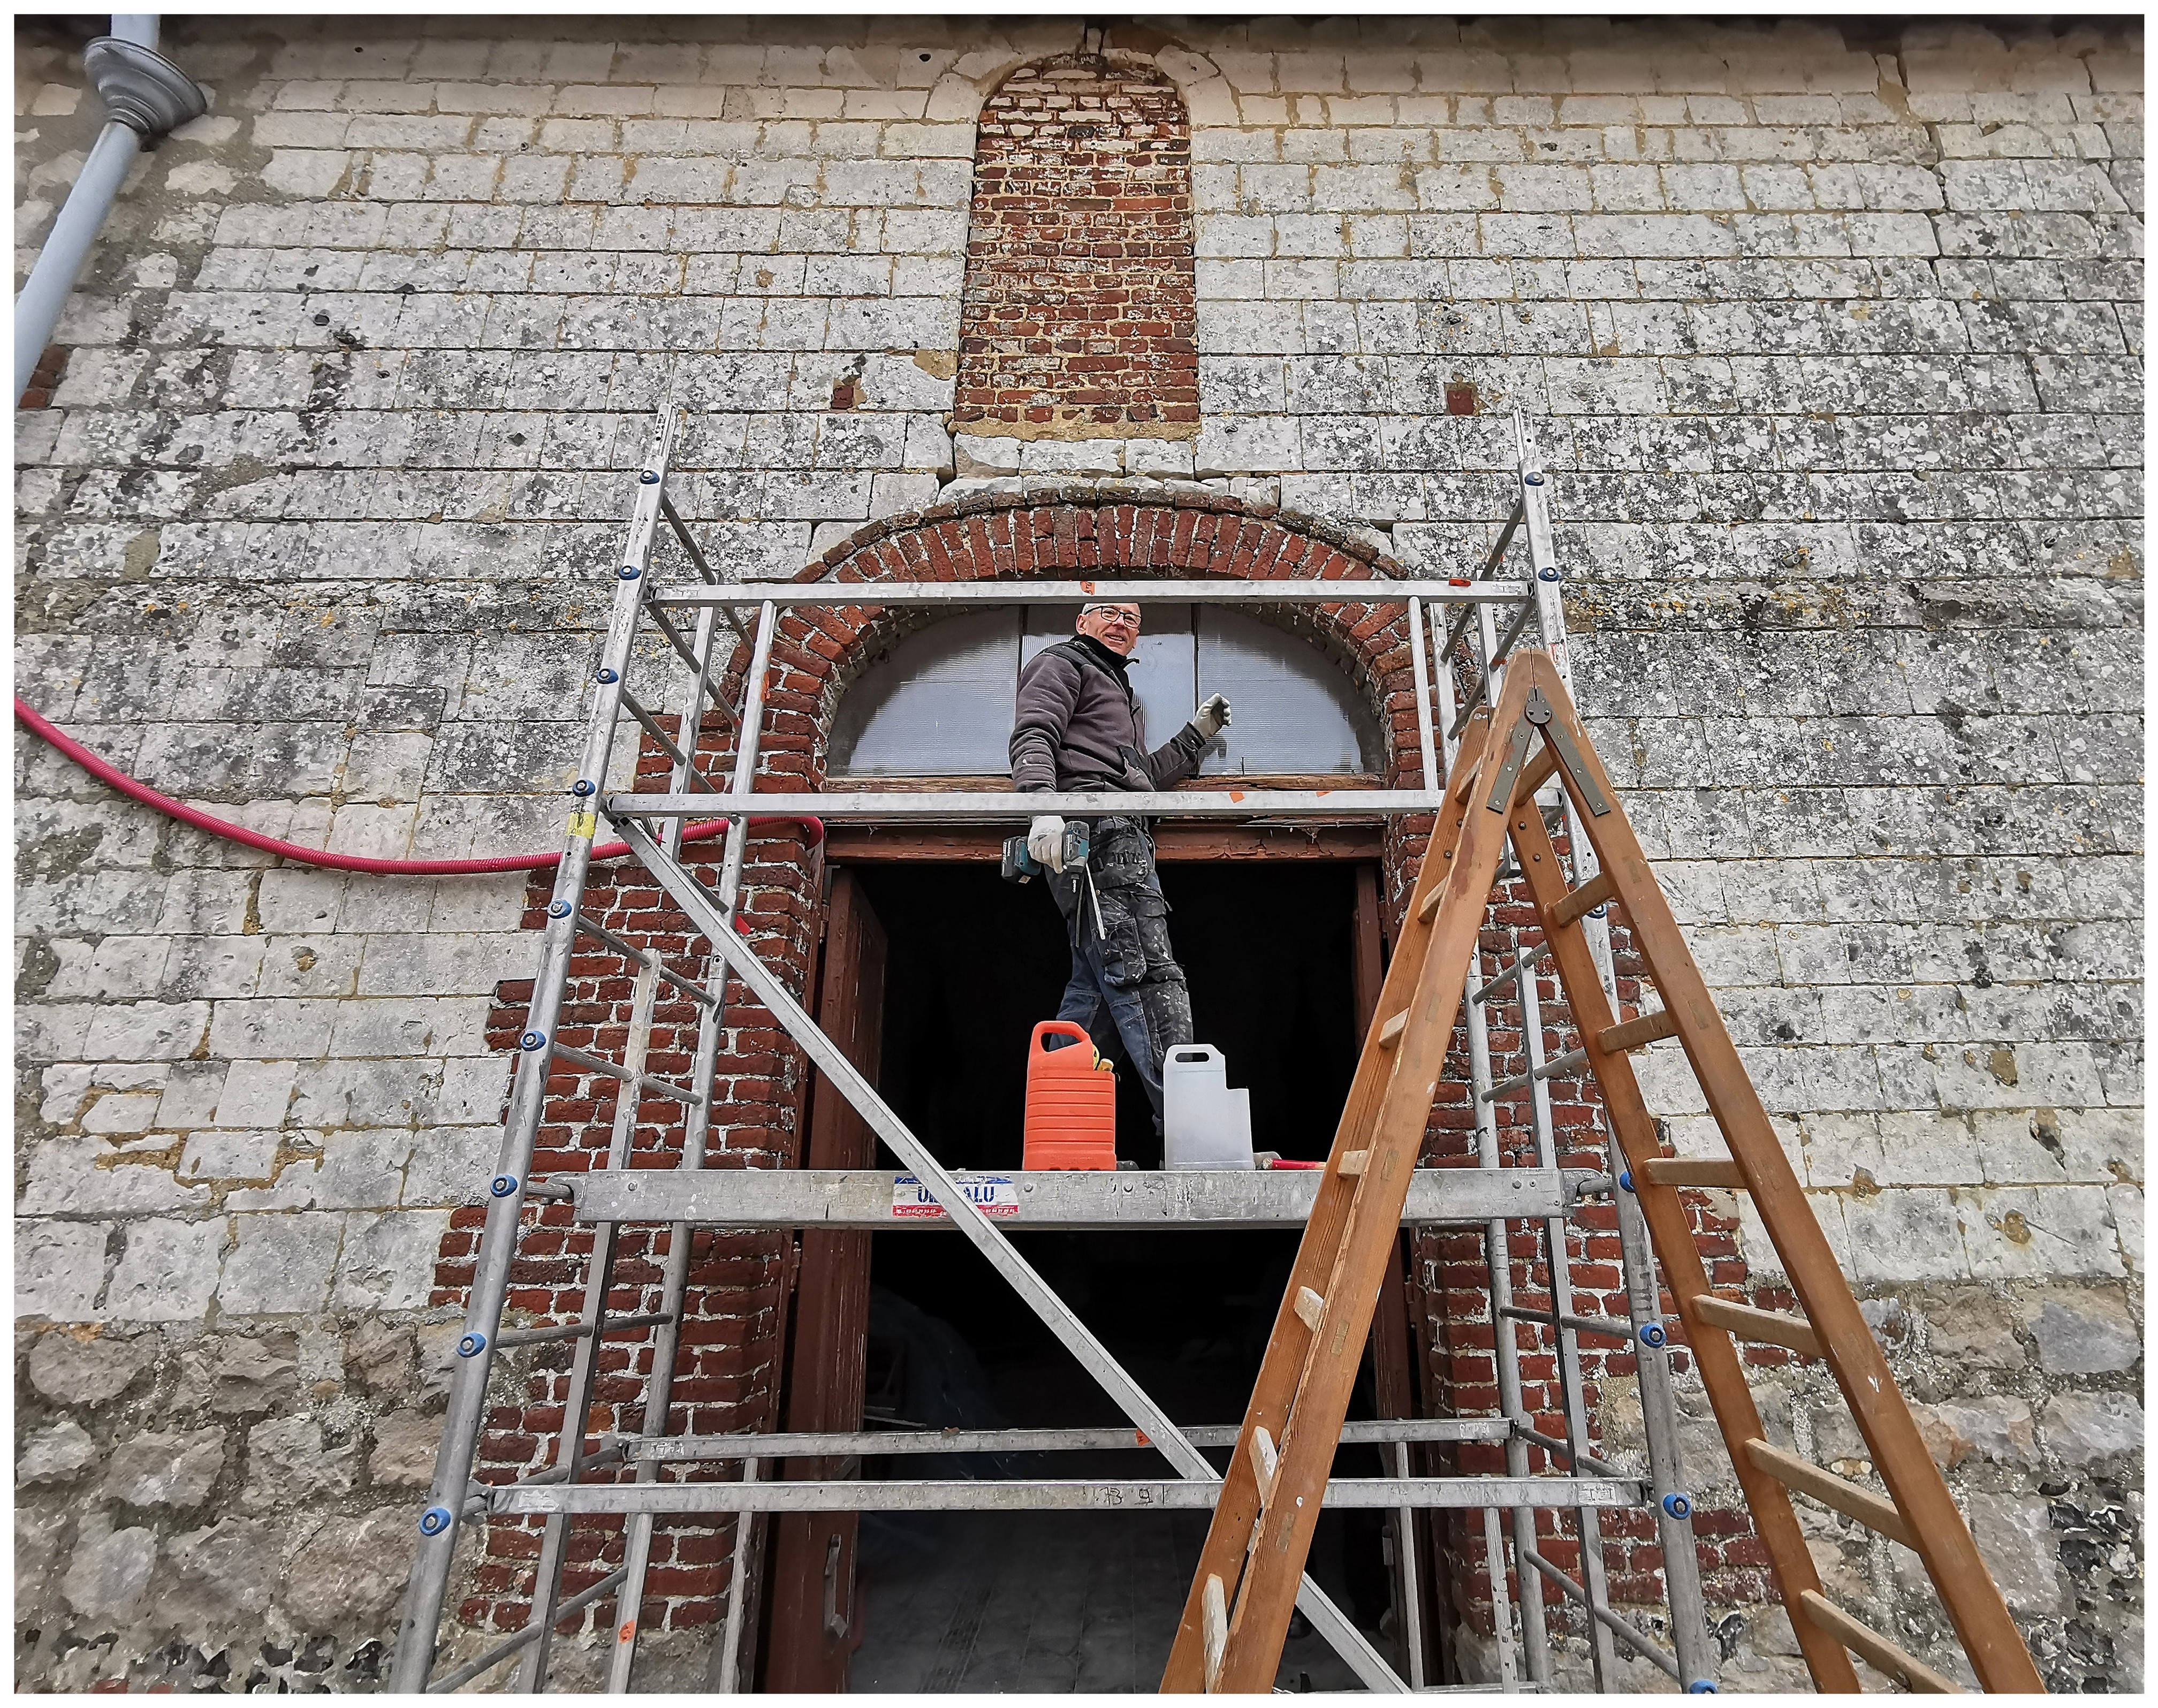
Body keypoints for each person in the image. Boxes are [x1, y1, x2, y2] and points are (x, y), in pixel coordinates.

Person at [1008, 601, 1231, 1138]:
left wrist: (1195, 737)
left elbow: (1139, 777)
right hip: (1100, 833)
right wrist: (1041, 806)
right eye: (1107, 612)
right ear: (1081, 622)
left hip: (1117, 832)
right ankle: (1193, 1131)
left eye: (1131, 618)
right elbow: (1034, 733)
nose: (1120, 623)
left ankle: (1055, 1128)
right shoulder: (1063, 664)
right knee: (1148, 974)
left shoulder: (1120, 693)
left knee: (1095, 991)